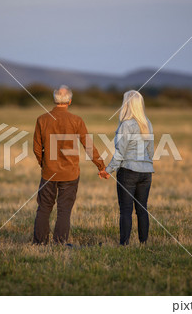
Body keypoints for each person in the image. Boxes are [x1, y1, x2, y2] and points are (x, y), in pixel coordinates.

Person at [33, 85, 108, 245]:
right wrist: (101, 166)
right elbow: (88, 146)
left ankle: (39, 243)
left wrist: (44, 164)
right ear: (70, 101)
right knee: (64, 209)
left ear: (54, 99)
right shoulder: (76, 120)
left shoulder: (42, 119)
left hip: (49, 172)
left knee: (44, 208)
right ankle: (60, 242)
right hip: (70, 173)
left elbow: (37, 148)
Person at [105, 90, 154, 245]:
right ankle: (143, 242)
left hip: (128, 171)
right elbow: (150, 150)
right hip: (146, 172)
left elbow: (120, 152)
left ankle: (124, 243)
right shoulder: (147, 122)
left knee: (126, 210)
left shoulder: (126, 125)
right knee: (142, 209)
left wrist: (108, 170)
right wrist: (146, 164)